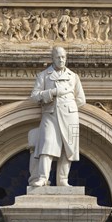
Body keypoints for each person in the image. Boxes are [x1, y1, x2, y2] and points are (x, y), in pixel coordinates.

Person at [30, 46, 86, 186]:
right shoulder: (44, 75)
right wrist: (53, 92)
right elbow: (34, 96)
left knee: (68, 148)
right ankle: (42, 178)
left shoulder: (73, 76)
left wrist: (68, 107)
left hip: (70, 115)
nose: (61, 60)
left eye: (63, 57)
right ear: (52, 58)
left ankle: (63, 180)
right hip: (50, 114)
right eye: (58, 57)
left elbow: (81, 99)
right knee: (47, 144)